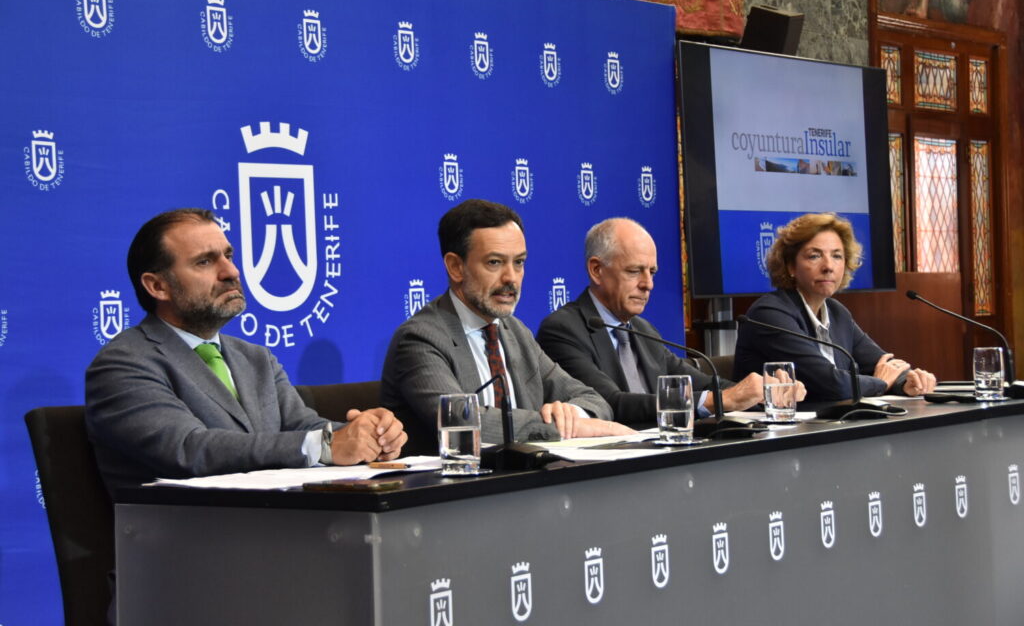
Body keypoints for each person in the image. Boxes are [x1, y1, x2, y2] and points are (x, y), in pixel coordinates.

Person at [86, 208, 407, 492]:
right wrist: (326, 446)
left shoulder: (254, 358)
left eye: (228, 256)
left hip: (278, 531)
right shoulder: (123, 364)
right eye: (205, 262)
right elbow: (189, 449)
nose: (231, 272)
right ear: (158, 286)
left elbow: (301, 429)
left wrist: (369, 437)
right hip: (185, 546)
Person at [380, 199, 631, 451]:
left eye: (519, 262)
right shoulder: (420, 338)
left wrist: (571, 414)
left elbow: (593, 399)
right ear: (456, 267)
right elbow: (463, 422)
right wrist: (566, 429)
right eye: (495, 262)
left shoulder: (513, 330)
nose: (511, 277)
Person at [536, 217, 797, 425]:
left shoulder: (642, 329)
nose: (647, 284)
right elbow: (610, 403)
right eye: (634, 271)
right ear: (597, 270)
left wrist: (766, 391)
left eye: (651, 272)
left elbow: (702, 383)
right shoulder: (563, 329)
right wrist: (718, 401)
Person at [734, 212, 937, 401]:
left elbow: (882, 362)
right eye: (814, 256)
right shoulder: (770, 314)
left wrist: (908, 381)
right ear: (790, 266)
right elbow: (831, 384)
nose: (828, 266)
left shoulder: (836, 311)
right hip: (777, 431)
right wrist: (881, 383)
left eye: (837, 256)